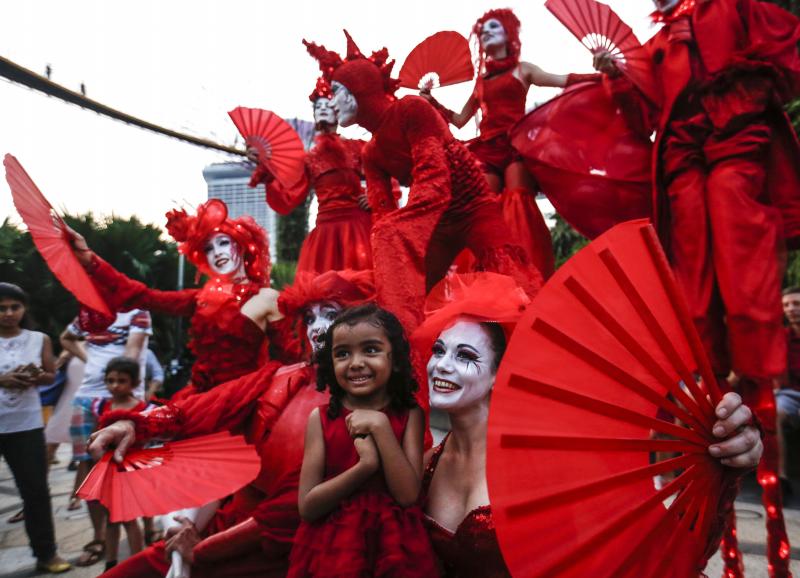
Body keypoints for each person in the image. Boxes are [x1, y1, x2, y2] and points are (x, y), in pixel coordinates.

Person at [592, 1, 800, 574]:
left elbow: (783, 47)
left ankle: (754, 380)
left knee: (739, 241)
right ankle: (702, 389)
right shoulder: (654, 46)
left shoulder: (732, 6)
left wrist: (741, 75)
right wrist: (616, 74)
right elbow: (643, 115)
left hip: (733, 139)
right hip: (683, 159)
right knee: (692, 294)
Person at [411, 272, 765, 577]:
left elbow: (651, 552)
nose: (441, 365)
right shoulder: (424, 463)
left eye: (465, 356)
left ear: (497, 376)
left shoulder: (547, 466)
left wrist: (725, 471)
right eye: (439, 351)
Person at [89, 270, 376, 578]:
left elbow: (288, 510)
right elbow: (203, 407)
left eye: (329, 315)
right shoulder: (278, 376)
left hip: (286, 548)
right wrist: (135, 425)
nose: (317, 327)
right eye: (309, 318)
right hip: (231, 520)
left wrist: (203, 549)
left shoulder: (366, 401)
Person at [304, 32, 542, 333]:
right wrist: (392, 244)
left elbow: (435, 177)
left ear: (359, 90)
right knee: (409, 291)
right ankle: (408, 354)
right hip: (437, 222)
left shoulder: (411, 108)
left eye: (336, 91)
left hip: (472, 206)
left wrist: (398, 229)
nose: (332, 101)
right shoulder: (372, 153)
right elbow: (382, 216)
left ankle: (537, 336)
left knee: (514, 278)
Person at [422, 9, 593, 278]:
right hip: (487, 149)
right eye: (482, 30)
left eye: (493, 27)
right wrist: (432, 103)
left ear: (508, 33)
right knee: (478, 206)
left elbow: (562, 81)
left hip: (516, 146)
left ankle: (526, 272)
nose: (485, 32)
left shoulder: (523, 70)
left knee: (518, 201)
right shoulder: (481, 82)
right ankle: (481, 275)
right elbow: (458, 120)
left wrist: (599, 77)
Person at [66, 199, 284, 397]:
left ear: (243, 245)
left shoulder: (267, 298)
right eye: (209, 248)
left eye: (223, 242)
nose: (217, 252)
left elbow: (291, 360)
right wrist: (90, 260)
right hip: (203, 399)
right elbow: (144, 296)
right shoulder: (200, 298)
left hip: (247, 400)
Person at [287, 303, 438, 577]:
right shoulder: (320, 419)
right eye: (342, 353)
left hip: (395, 551)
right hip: (332, 552)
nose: (356, 363)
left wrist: (381, 427)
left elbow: (407, 496)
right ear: (331, 364)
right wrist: (364, 467)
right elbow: (307, 507)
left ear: (395, 359)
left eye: (370, 350)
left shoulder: (409, 414)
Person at [248, 76, 372, 274]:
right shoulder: (307, 159)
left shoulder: (357, 147)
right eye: (317, 107)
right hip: (326, 234)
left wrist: (375, 196)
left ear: (338, 109)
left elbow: (385, 170)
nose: (322, 108)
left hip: (357, 230)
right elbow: (288, 197)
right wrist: (267, 167)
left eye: (328, 104)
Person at [63, 307, 151, 566]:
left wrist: (122, 386)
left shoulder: (137, 312)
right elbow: (66, 337)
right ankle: (98, 539)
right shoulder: (86, 313)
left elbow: (133, 351)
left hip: (125, 402)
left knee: (130, 488)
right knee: (89, 469)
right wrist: (91, 362)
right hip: (87, 398)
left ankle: (143, 543)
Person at [0, 282, 71, 574]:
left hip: (25, 424)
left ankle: (46, 553)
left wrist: (34, 377)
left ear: (24, 308)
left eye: (15, 307)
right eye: (2, 308)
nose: (8, 313)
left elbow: (51, 374)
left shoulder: (38, 339)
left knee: (36, 490)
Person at [94, 357, 148, 571]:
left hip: (131, 471)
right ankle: (111, 564)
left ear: (134, 383)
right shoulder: (102, 405)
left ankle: (138, 565)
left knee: (129, 519)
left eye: (121, 381)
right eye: (110, 380)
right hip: (108, 471)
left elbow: (145, 439)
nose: (115, 385)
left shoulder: (143, 408)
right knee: (111, 519)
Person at [779, 287, 800, 491]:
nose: (791, 309)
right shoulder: (781, 337)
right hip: (788, 394)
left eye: (796, 304)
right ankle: (780, 477)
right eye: (786, 305)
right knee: (774, 412)